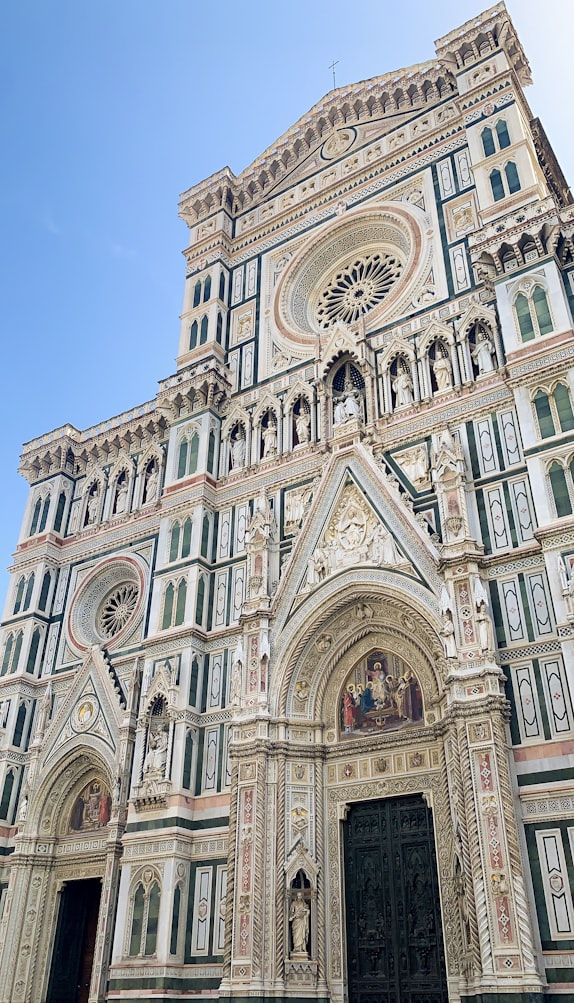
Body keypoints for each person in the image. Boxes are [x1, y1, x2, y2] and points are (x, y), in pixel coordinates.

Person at [289, 891, 310, 956]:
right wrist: (293, 917)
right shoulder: (294, 903)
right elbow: (291, 913)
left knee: (301, 935)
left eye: (300, 896)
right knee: (296, 935)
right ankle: (296, 948)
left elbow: (307, 912)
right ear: (296, 896)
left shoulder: (303, 904)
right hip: (296, 922)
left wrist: (307, 912)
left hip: (302, 921)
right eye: (298, 896)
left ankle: (301, 948)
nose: (299, 897)